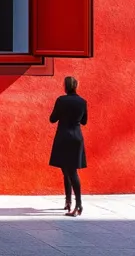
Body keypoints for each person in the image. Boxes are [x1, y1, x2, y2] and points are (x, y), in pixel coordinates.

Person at [49, 76, 87, 217]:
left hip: (63, 137)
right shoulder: (83, 102)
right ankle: (68, 201)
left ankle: (77, 204)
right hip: (76, 138)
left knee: (69, 171)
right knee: (69, 170)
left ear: (65, 86)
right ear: (76, 86)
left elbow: (52, 119)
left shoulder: (61, 100)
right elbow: (84, 121)